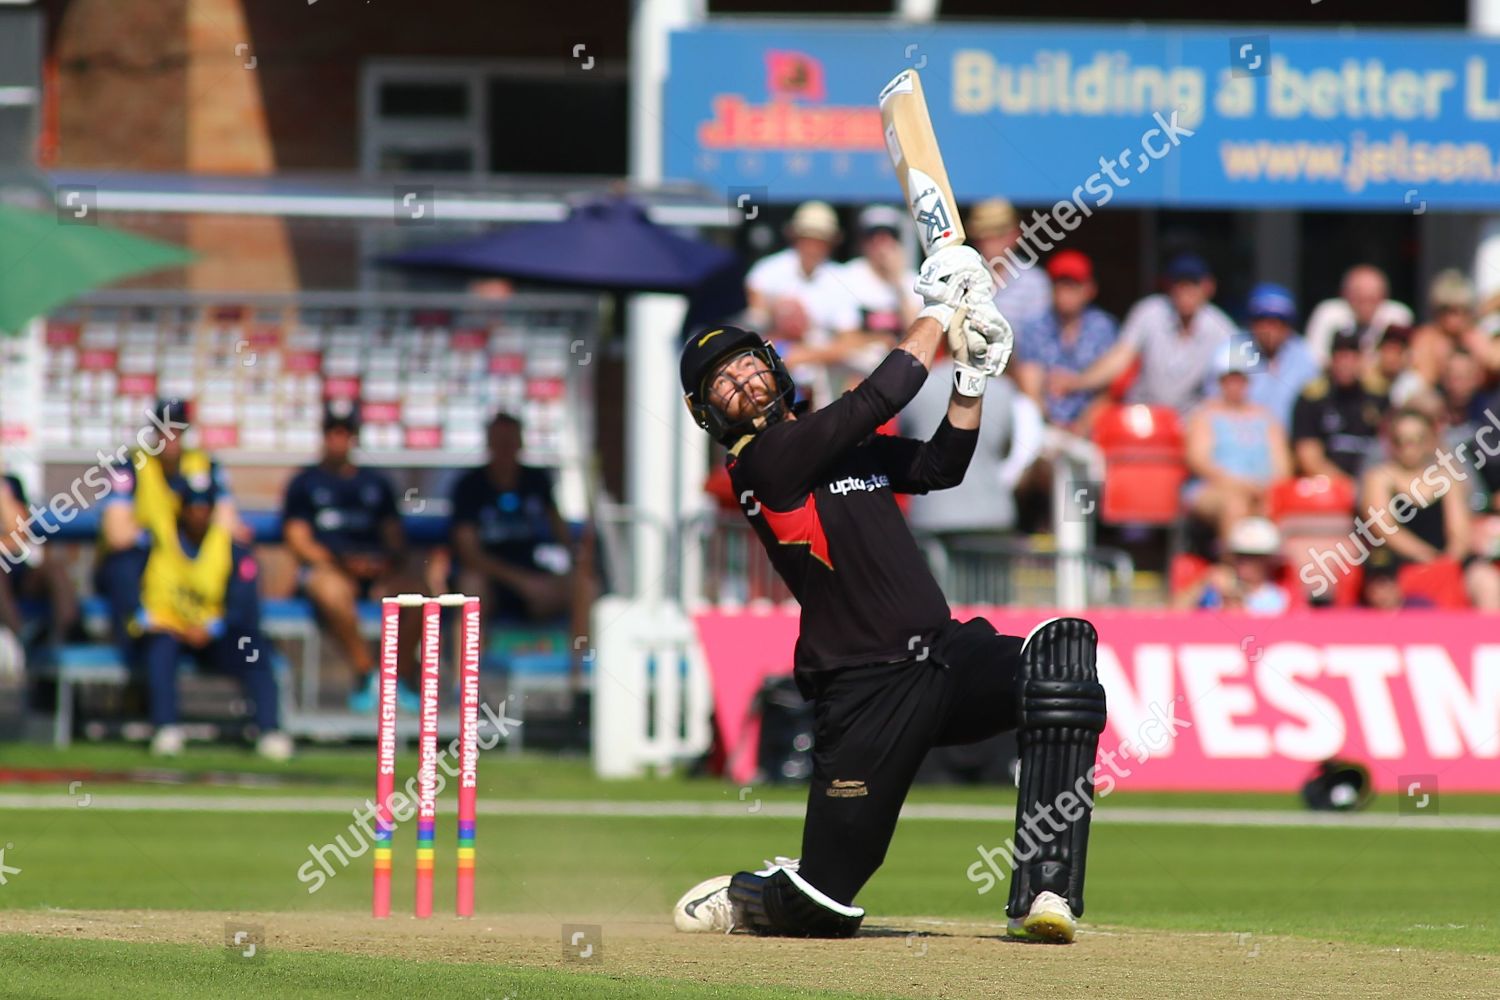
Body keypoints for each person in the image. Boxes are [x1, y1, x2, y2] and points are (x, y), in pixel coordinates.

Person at [670, 245, 1106, 944]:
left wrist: (971, 378)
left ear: (775, 366)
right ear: (707, 412)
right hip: (864, 687)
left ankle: (1044, 888)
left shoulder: (838, 447)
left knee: (1063, 668)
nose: (741, 379)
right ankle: (751, 893)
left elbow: (940, 467)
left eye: (748, 361)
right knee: (825, 905)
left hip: (944, 656)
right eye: (721, 381)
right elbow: (883, 393)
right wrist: (938, 311)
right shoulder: (766, 462)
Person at [135, 472, 291, 760]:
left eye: (204, 507)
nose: (198, 514)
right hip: (171, 631)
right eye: (192, 506)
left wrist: (213, 627)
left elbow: (244, 605)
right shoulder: (157, 543)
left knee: (254, 649)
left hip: (218, 635)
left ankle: (269, 730)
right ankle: (166, 728)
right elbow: (141, 599)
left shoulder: (231, 548)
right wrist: (176, 627)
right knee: (159, 650)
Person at [281, 402, 422, 712]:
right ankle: (365, 672)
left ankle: (397, 677)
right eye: (333, 432)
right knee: (330, 590)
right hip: (330, 569)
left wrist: (382, 562)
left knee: (417, 595)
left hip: (376, 572)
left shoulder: (376, 483)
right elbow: (298, 541)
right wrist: (340, 561)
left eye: (345, 432)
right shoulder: (305, 483)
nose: (338, 439)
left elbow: (395, 539)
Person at [97, 399, 244, 653]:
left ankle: (232, 639)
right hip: (145, 559)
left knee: (238, 564)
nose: (170, 436)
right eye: (164, 428)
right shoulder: (131, 465)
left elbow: (228, 525)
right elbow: (117, 534)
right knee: (123, 566)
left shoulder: (205, 465)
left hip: (185, 561)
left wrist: (154, 527)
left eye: (177, 429)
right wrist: (159, 531)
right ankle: (133, 646)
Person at [449, 413, 586, 639]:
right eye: (499, 441)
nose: (505, 448)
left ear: (520, 443)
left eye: (510, 441)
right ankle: (464, 671)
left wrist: (574, 562)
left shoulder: (536, 480)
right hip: (490, 580)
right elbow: (469, 554)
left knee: (584, 586)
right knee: (471, 589)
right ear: (489, 443)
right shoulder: (470, 486)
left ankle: (579, 666)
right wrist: (522, 582)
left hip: (532, 576)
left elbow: (560, 530)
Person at [1048, 254, 1235, 417]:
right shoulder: (1149, 312)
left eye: (1192, 284)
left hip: (1191, 421)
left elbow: (1236, 383)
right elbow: (1119, 359)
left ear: (1208, 287)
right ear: (1169, 286)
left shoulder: (1223, 329)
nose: (1185, 291)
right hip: (1141, 411)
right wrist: (1077, 383)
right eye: (1179, 284)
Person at [1361, 408, 1500, 610]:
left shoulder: (1447, 477)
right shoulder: (1380, 477)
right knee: (1384, 589)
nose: (1409, 448)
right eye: (1401, 440)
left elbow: (1459, 530)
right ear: (1391, 443)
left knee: (1487, 582)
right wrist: (1425, 556)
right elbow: (1384, 527)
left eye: (1417, 440)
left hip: (1447, 560)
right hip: (1397, 562)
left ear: (1431, 440)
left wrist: (1448, 560)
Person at [1184, 346, 1292, 542]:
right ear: (1219, 381)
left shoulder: (1266, 417)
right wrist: (1242, 485)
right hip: (1216, 488)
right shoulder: (1205, 415)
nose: (1235, 385)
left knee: (1275, 507)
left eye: (1240, 379)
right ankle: (1234, 564)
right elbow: (1199, 460)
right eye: (1229, 379)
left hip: (1261, 490)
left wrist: (1264, 488)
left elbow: (1282, 466)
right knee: (1235, 506)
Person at [1014, 250, 1118, 434]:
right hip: (1045, 428)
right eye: (1060, 285)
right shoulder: (1034, 327)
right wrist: (1050, 427)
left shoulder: (1103, 327)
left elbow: (1110, 389)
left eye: (1073, 286)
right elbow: (1029, 386)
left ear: (1090, 289)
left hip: (1091, 429)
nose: (1066, 293)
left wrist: (1081, 426)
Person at [1213, 283, 1319, 430]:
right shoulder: (1233, 350)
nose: (1271, 328)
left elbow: (1314, 409)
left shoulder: (1303, 355)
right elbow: (1214, 406)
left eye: (1280, 321)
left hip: (1290, 444)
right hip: (1239, 440)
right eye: (1263, 319)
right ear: (1251, 322)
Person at [1290, 331, 1386, 482]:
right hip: (1327, 484)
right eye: (1340, 356)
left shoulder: (1379, 398)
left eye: (1352, 356)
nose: (1345, 363)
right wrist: (1347, 486)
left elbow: (1390, 449)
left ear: (1361, 360)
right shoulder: (1312, 398)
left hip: (1372, 482)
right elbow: (1309, 458)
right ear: (1331, 360)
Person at [0, 467, 78, 645]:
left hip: (18, 570)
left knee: (55, 568)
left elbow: (19, 533)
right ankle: (20, 635)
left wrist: (3, 491)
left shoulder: (10, 484)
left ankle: (69, 634)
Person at [1174, 516, 1290, 615]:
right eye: (1239, 556)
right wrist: (1204, 582)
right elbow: (1174, 615)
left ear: (1268, 560)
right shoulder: (1214, 588)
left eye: (1253, 557)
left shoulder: (1280, 597)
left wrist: (1234, 600)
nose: (1244, 562)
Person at [967, 198, 1051, 334]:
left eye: (999, 234)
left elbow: (1037, 339)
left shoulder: (1034, 281)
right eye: (984, 235)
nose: (991, 242)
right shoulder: (962, 276)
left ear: (1015, 235)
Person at [1305, 264, 1414, 362]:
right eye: (1360, 299)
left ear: (1383, 297)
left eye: (1372, 299)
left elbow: (1405, 359)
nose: (1366, 306)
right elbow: (1315, 359)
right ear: (1346, 295)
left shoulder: (1398, 316)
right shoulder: (1327, 313)